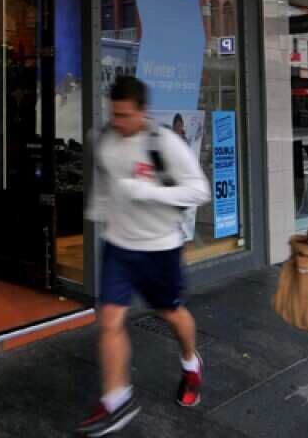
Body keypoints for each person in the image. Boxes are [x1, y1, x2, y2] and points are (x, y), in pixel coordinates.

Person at [77, 76, 211, 436]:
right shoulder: (104, 139)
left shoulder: (163, 143)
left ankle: (190, 362)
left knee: (171, 314)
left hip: (159, 247)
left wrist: (147, 192)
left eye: (124, 115)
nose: (118, 122)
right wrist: (99, 213)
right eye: (113, 114)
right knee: (109, 319)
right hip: (119, 246)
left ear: (142, 112)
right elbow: (106, 184)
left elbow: (200, 190)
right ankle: (116, 399)